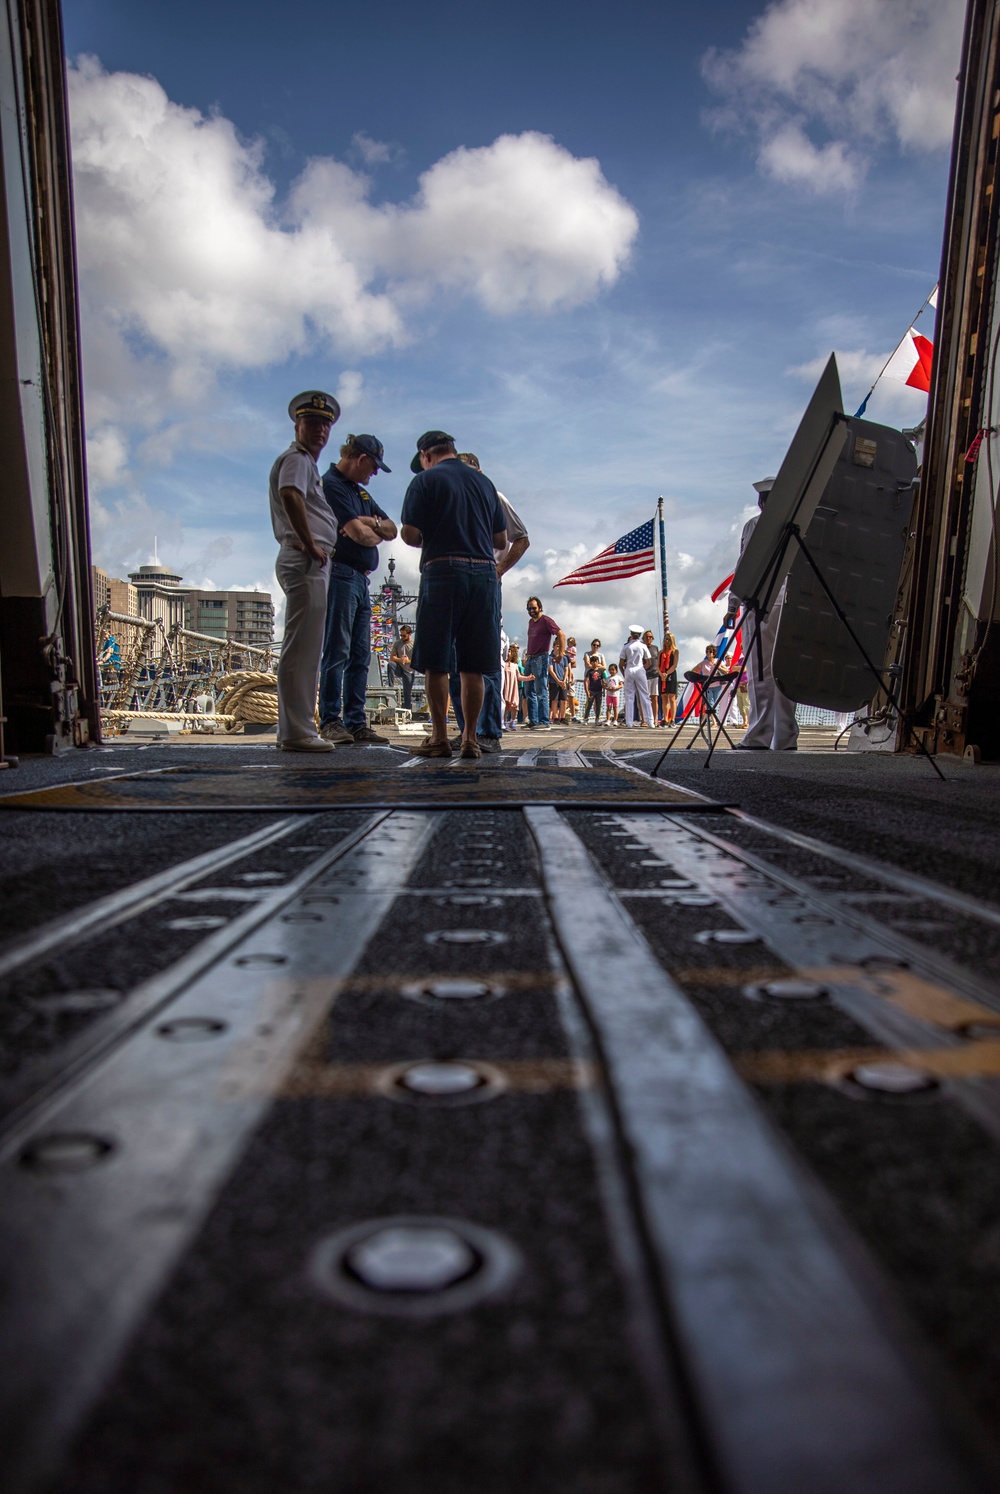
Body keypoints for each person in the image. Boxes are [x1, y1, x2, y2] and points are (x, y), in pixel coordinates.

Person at [400, 430, 506, 759]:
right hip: (485, 574)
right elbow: (501, 540)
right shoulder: (485, 484)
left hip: (444, 570)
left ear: (424, 455)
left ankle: (439, 738)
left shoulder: (426, 480)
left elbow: (410, 534)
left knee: (436, 663)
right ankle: (471, 739)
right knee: (473, 666)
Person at [269, 390, 340, 752]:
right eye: (312, 422)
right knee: (303, 650)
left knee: (306, 649)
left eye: (325, 424)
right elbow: (290, 495)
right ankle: (297, 731)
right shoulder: (297, 459)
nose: (320, 430)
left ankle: (295, 729)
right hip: (306, 558)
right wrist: (311, 543)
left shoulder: (307, 464)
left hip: (309, 558)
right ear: (297, 425)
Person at [316, 434, 397, 746]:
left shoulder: (360, 495)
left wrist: (367, 523)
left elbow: (392, 529)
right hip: (340, 574)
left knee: (361, 654)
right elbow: (358, 536)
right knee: (337, 649)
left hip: (361, 580)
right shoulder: (332, 485)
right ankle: (331, 720)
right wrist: (368, 528)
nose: (373, 474)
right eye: (373, 467)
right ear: (362, 459)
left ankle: (355, 720)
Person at [447, 452, 530, 752]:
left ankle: (488, 731)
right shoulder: (452, 497)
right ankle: (468, 729)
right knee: (456, 662)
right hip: (456, 578)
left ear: (479, 472)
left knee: (484, 660)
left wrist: (498, 569)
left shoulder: (494, 496)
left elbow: (521, 538)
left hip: (485, 578)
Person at [724, 475, 799, 751]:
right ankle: (786, 736)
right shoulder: (797, 525)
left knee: (760, 671)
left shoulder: (755, 525)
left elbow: (745, 566)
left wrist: (732, 605)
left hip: (760, 601)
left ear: (762, 501)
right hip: (789, 600)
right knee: (784, 669)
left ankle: (759, 734)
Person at [524, 597, 565, 731]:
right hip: (530, 658)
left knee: (541, 689)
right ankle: (534, 720)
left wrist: (560, 654)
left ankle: (544, 721)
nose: (531, 611)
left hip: (541, 658)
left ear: (540, 608)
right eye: (529, 608)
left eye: (534, 608)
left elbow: (561, 634)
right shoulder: (531, 622)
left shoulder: (546, 620)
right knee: (528, 690)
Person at [620, 625, 653, 727]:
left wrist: (624, 673)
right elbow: (649, 661)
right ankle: (650, 721)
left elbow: (621, 663)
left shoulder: (626, 646)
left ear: (631, 634)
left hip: (629, 669)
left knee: (629, 696)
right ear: (639, 635)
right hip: (639, 668)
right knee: (645, 695)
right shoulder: (643, 646)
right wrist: (643, 668)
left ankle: (629, 722)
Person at [389, 623, 414, 711]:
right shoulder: (397, 643)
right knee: (390, 665)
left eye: (404, 636)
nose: (402, 637)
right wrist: (401, 660)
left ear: (409, 634)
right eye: (401, 635)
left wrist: (408, 661)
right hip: (399, 667)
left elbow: (418, 660)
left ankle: (408, 711)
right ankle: (390, 687)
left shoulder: (413, 645)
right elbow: (392, 657)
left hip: (409, 671)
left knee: (407, 693)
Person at [642, 630, 661, 724]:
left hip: (655, 675)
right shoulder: (641, 648)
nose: (648, 639)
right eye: (647, 637)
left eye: (650, 637)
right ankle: (645, 719)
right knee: (645, 698)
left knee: (655, 698)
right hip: (644, 675)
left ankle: (655, 719)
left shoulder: (655, 648)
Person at [660, 631, 679, 724]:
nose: (666, 641)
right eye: (665, 639)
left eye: (668, 639)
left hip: (671, 674)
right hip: (662, 675)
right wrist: (661, 674)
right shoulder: (660, 652)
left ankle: (673, 719)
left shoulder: (675, 651)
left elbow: (675, 665)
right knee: (664, 697)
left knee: (672, 697)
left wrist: (667, 673)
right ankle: (665, 718)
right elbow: (657, 665)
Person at [548, 642, 569, 722]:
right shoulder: (550, 658)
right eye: (557, 646)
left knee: (564, 700)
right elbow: (550, 670)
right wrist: (558, 681)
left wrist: (564, 680)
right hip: (554, 681)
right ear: (553, 647)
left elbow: (566, 669)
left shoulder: (564, 658)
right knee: (554, 700)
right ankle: (555, 717)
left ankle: (563, 717)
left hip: (563, 681)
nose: (558, 648)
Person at [503, 643, 521, 730]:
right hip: (505, 687)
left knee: (515, 704)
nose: (508, 653)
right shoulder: (503, 664)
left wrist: (528, 678)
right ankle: (504, 720)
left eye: (510, 651)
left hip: (513, 687)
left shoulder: (515, 665)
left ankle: (513, 720)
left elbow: (519, 676)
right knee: (506, 703)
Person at [582, 654, 604, 724]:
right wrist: (587, 691)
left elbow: (603, 681)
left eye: (596, 661)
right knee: (588, 705)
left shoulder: (601, 671)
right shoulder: (589, 672)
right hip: (591, 690)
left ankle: (597, 719)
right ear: (591, 663)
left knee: (598, 706)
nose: (594, 663)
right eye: (593, 662)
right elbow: (586, 681)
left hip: (599, 690)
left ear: (598, 662)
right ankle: (585, 719)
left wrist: (604, 690)